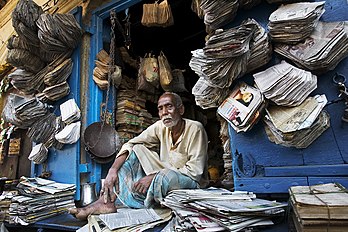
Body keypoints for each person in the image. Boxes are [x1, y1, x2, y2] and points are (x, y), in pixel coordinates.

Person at [69, 92, 209, 220]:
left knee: (164, 177)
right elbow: (131, 144)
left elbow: (194, 172)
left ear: (181, 110)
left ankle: (147, 204)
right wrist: (112, 170)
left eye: (169, 107)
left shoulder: (196, 128)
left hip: (189, 181)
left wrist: (153, 177)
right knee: (136, 149)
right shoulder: (161, 126)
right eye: (160, 109)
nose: (164, 112)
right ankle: (105, 202)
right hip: (164, 175)